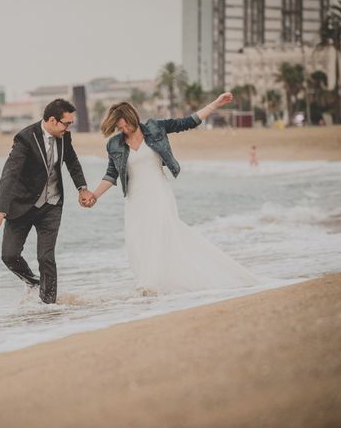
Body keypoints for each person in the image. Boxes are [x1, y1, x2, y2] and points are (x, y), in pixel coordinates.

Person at [83, 92, 259, 295]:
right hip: (135, 198)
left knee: (159, 233)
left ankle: (152, 283)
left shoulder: (155, 127)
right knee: (138, 240)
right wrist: (95, 195)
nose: (124, 129)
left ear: (134, 118)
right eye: (119, 127)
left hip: (158, 191)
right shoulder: (114, 144)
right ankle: (148, 283)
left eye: (126, 125)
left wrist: (215, 104)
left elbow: (188, 122)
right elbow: (111, 174)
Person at [0, 99, 94, 303]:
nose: (69, 128)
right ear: (52, 120)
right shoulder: (25, 138)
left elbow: (72, 161)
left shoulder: (63, 137)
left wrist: (82, 188)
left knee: (46, 257)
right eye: (67, 123)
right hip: (21, 205)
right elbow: (10, 175)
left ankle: (48, 305)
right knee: (9, 255)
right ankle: (33, 283)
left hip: (51, 205)